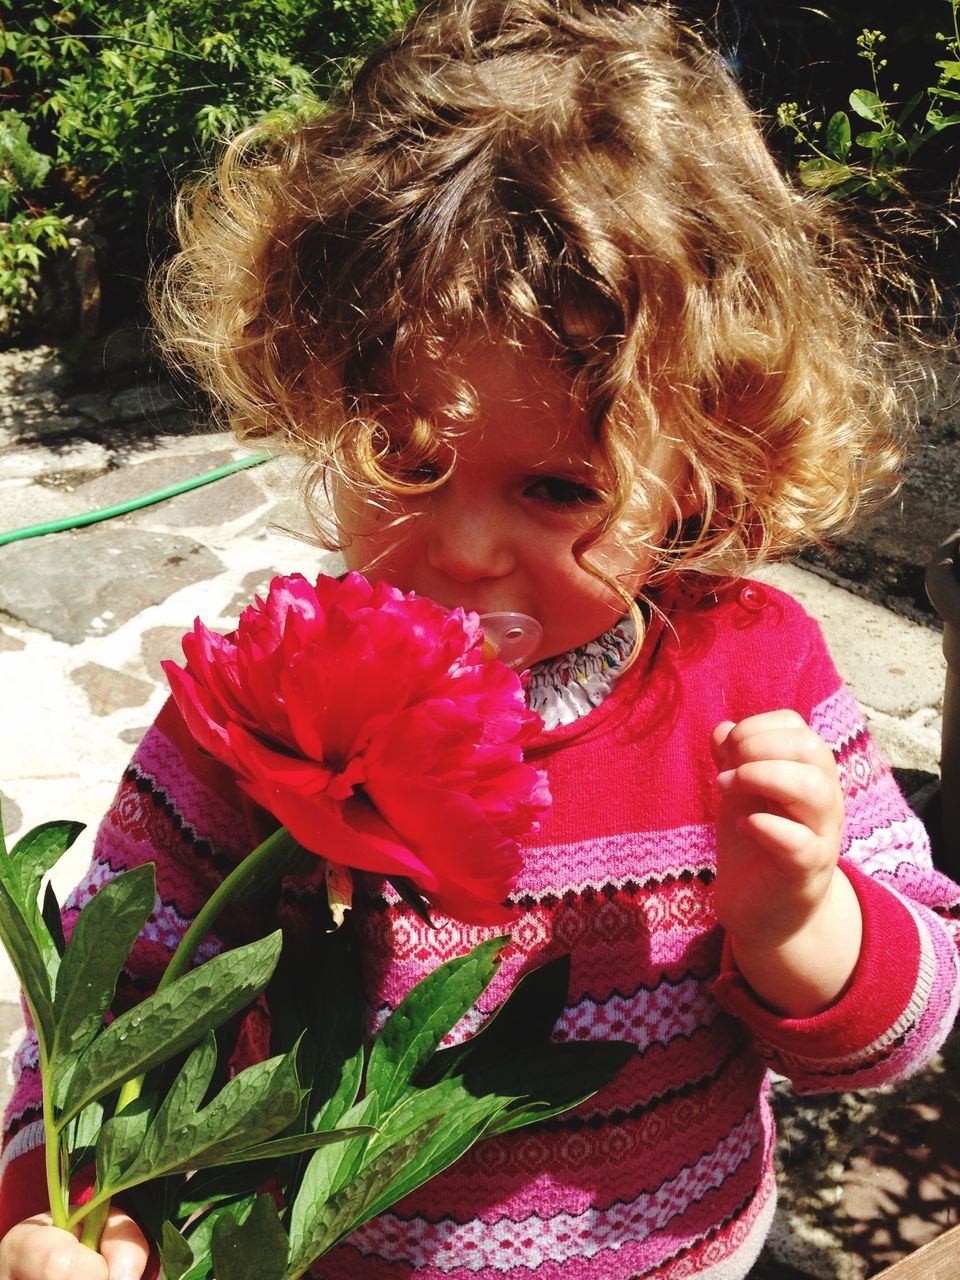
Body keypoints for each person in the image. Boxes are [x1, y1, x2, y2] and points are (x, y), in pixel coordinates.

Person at [3, 1, 959, 1277]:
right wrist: (64, 1199)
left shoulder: (754, 671)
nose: (459, 550)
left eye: (559, 488)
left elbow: (897, 1029)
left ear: (698, 469)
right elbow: (103, 1004)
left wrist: (805, 918)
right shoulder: (264, 689)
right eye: (403, 455)